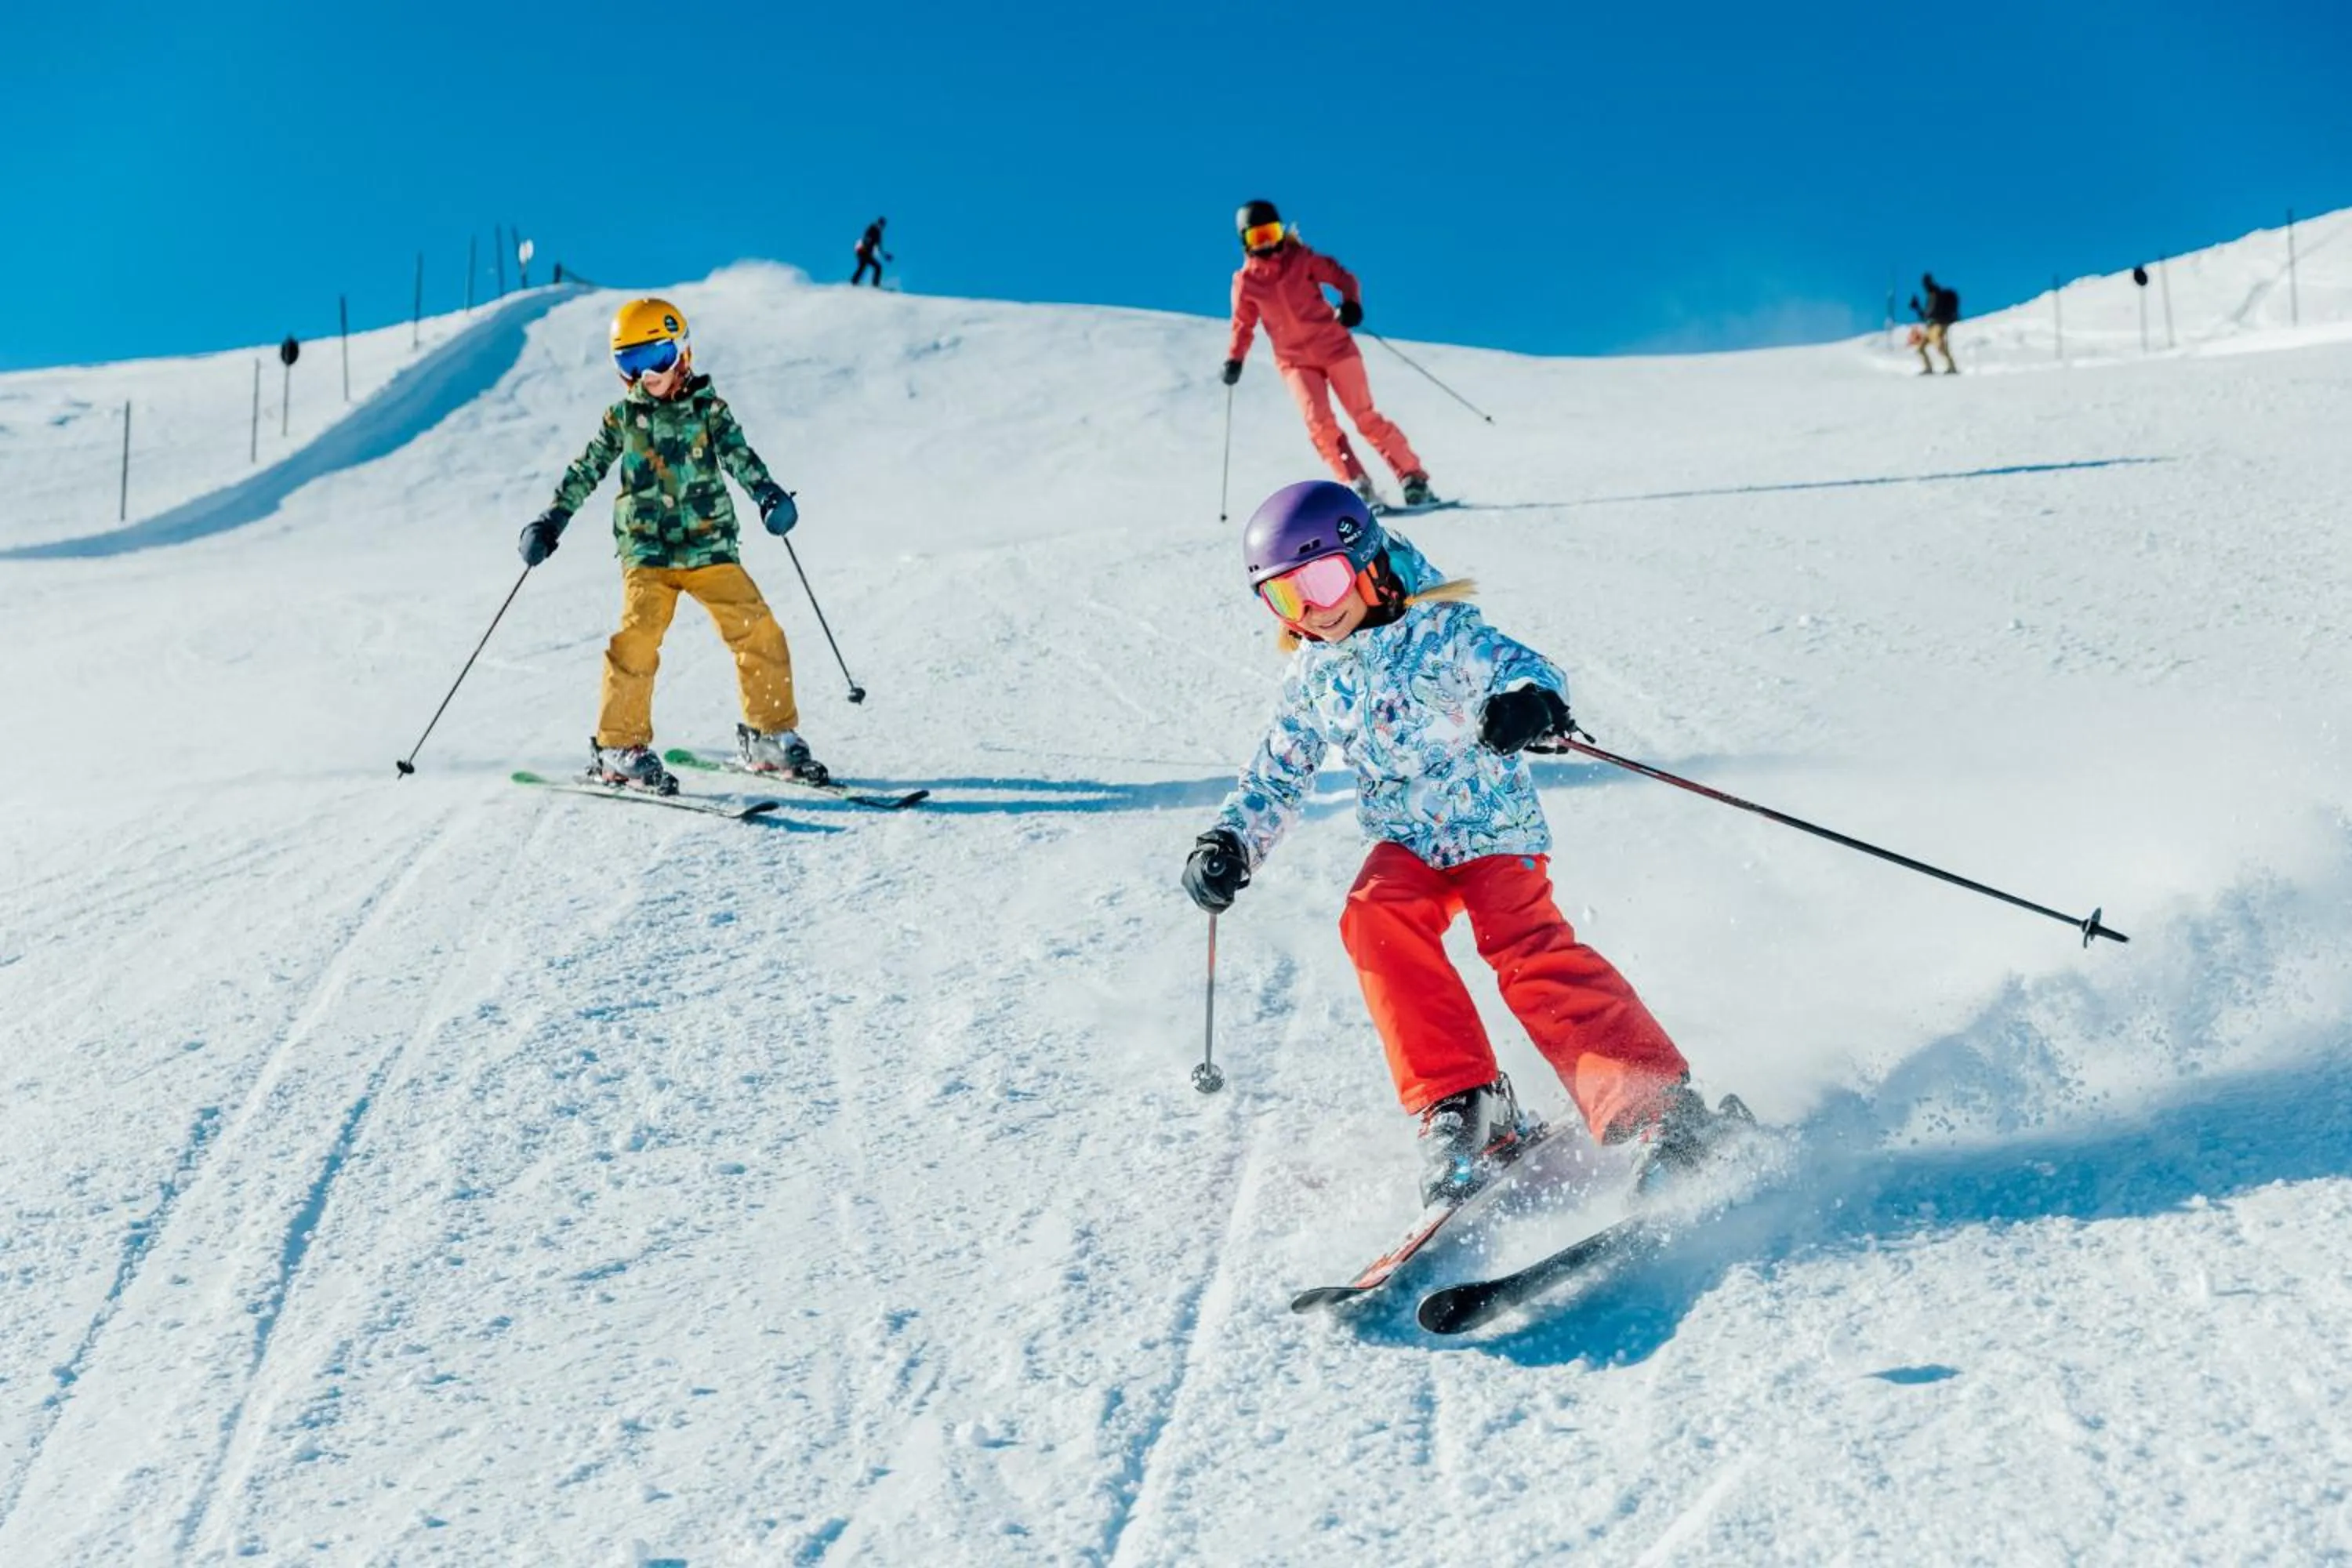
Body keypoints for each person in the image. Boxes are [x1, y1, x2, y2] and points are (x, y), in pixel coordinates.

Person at [1180, 480, 1747, 1206]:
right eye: (1285, 599)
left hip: (1492, 831)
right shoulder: (1314, 678)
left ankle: (1659, 1110)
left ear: (1368, 561)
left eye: (1321, 581)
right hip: (1409, 842)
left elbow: (1526, 669)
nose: (1314, 612)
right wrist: (1232, 839)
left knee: (1525, 948)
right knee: (1372, 919)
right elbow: (1276, 774)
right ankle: (1465, 1102)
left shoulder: (1442, 634)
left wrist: (1529, 705)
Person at [518, 297, 831, 793]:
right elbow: (586, 470)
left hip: (710, 548)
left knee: (758, 629)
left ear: (683, 354)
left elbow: (740, 458)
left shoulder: (709, 410)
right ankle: (620, 746)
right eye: (631, 364)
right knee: (637, 638)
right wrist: (551, 520)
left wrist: (768, 495)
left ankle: (769, 735)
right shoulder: (622, 418)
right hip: (647, 552)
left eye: (657, 359)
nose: (648, 376)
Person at [1222, 200, 1435, 511]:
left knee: (1365, 417)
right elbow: (1243, 325)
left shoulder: (1302, 259)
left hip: (1335, 347)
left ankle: (1413, 477)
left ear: (1282, 232)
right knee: (1319, 424)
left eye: (1271, 233)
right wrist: (1235, 359)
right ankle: (1357, 484)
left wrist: (1351, 303)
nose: (1267, 242)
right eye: (1258, 237)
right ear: (1245, 241)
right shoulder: (1246, 282)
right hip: (1294, 361)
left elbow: (1345, 279)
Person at [1910, 273, 1961, 374]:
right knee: (1921, 348)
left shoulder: (1936, 294)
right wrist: (1917, 308)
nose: (1925, 286)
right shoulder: (1931, 296)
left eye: (1926, 283)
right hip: (1931, 327)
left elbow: (1930, 314)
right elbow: (1926, 316)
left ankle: (1952, 368)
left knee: (1940, 347)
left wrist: (1919, 309)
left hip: (1939, 325)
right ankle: (1929, 369)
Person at [852, 219, 891, 287]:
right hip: (862, 251)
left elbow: (879, 247)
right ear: (878, 223)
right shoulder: (872, 228)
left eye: (883, 226)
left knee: (864, 266)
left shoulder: (879, 234)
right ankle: (874, 284)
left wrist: (885, 256)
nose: (882, 227)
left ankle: (854, 281)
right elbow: (866, 236)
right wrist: (866, 242)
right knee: (876, 267)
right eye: (881, 225)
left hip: (866, 252)